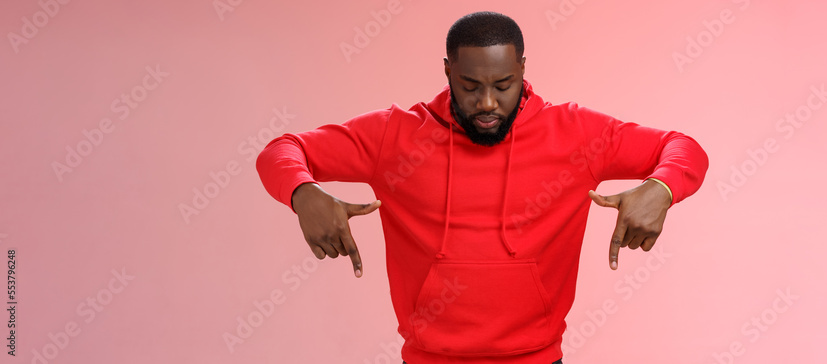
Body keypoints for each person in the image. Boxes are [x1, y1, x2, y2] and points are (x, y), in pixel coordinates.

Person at [256, 11, 709, 364]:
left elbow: (683, 147)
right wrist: (303, 193)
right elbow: (282, 150)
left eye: (503, 85)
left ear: (523, 69)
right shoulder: (395, 137)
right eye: (470, 86)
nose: (487, 102)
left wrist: (661, 188)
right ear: (448, 71)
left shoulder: (575, 135)